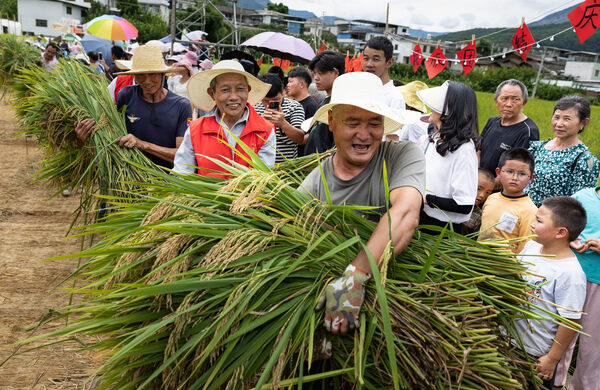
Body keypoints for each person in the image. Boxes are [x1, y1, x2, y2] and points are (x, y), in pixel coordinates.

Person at [300, 71, 425, 335]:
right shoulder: (314, 183)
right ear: (332, 122)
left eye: (374, 123)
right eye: (353, 122)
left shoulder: (401, 156)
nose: (364, 135)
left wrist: (355, 277)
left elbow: (405, 214)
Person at [75, 45, 192, 169]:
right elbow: (110, 131)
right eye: (141, 74)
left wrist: (141, 144)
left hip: (164, 183)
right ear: (134, 75)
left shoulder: (181, 106)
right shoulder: (126, 95)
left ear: (163, 74)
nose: (147, 81)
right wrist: (87, 133)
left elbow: (182, 155)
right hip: (127, 177)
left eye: (152, 74)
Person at [513, 196, 587, 390]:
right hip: (510, 339)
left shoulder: (570, 273)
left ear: (561, 232)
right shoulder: (531, 246)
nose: (532, 224)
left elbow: (570, 320)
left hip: (535, 354)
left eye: (539, 220)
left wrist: (552, 358)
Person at [173, 60, 276, 177]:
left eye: (240, 89)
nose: (233, 97)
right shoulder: (196, 130)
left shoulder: (264, 130)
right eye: (225, 90)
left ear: (248, 90)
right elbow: (182, 173)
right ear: (212, 94)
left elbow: (263, 178)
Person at [415, 81, 479, 231]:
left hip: (440, 229)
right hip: (421, 216)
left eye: (436, 105)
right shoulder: (435, 139)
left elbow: (464, 204)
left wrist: (425, 199)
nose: (430, 108)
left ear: (450, 112)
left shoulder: (464, 150)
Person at [527, 95, 600, 206]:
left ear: (583, 123)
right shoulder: (539, 147)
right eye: (556, 117)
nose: (559, 124)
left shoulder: (584, 160)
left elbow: (579, 204)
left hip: (553, 219)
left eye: (567, 119)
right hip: (524, 212)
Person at [565, 185, 600, 390]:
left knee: (592, 346)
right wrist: (572, 240)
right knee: (561, 334)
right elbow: (562, 226)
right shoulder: (581, 197)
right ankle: (553, 380)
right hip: (571, 278)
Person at [478, 148, 538, 253]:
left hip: (504, 267)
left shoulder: (530, 211)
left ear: (531, 178)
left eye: (522, 174)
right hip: (478, 260)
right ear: (498, 172)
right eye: (509, 172)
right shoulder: (491, 198)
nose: (515, 177)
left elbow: (526, 248)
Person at [479, 79, 539, 181]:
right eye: (504, 98)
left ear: (523, 103)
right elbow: (478, 150)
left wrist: (487, 187)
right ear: (496, 101)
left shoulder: (528, 131)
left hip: (499, 191)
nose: (509, 104)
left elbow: (518, 171)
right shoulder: (492, 121)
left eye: (515, 99)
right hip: (478, 183)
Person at [253, 73, 305, 162]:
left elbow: (300, 139)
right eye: (266, 101)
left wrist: (282, 123)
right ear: (261, 96)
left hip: (287, 168)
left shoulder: (295, 107)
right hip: (261, 166)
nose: (271, 104)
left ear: (283, 92)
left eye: (276, 99)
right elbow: (249, 140)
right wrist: (261, 123)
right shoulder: (254, 108)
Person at [303, 50, 345, 156]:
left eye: (320, 73)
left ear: (335, 73)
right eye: (315, 73)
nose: (316, 78)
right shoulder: (324, 101)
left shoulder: (340, 105)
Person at [362, 36, 405, 110]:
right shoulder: (359, 90)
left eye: (376, 59)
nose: (369, 64)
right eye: (366, 59)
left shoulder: (394, 98)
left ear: (389, 63)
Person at [462, 168, 495, 235]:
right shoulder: (451, 203)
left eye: (488, 193)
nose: (482, 195)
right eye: (478, 189)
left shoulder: (479, 217)